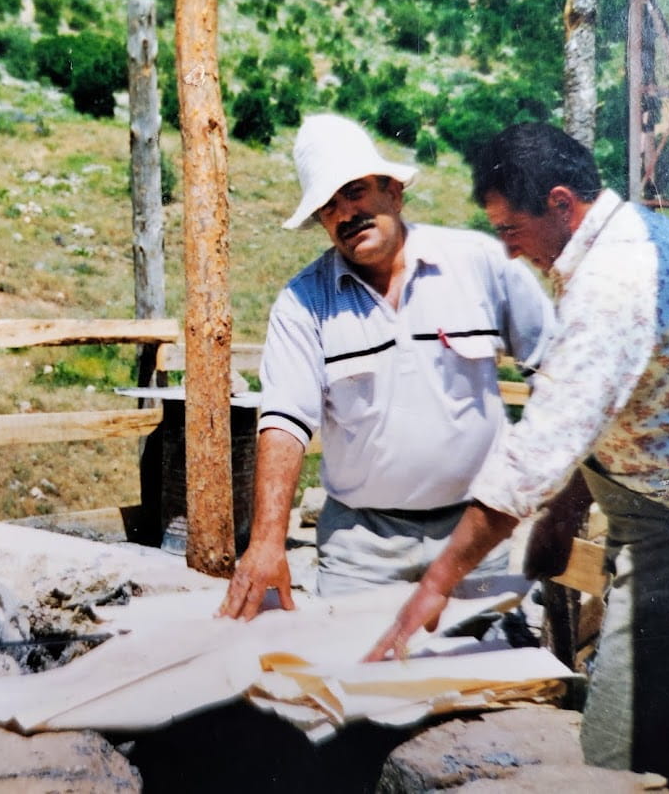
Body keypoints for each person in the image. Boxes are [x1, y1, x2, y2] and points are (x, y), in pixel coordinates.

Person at [367, 122, 669, 791]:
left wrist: (435, 585)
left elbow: (534, 451)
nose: (507, 249)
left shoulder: (612, 283)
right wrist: (567, 509)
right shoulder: (643, 236)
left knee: (620, 755)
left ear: (559, 202)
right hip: (666, 509)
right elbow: (617, 403)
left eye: (510, 229)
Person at [219, 113, 554, 620]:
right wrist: (267, 541)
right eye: (329, 207)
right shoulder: (304, 302)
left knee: (482, 663)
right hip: (362, 549)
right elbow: (285, 421)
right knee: (357, 666)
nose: (345, 214)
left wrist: (539, 489)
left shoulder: (480, 264)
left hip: (474, 533)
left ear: (393, 192)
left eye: (355, 192)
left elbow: (556, 372)